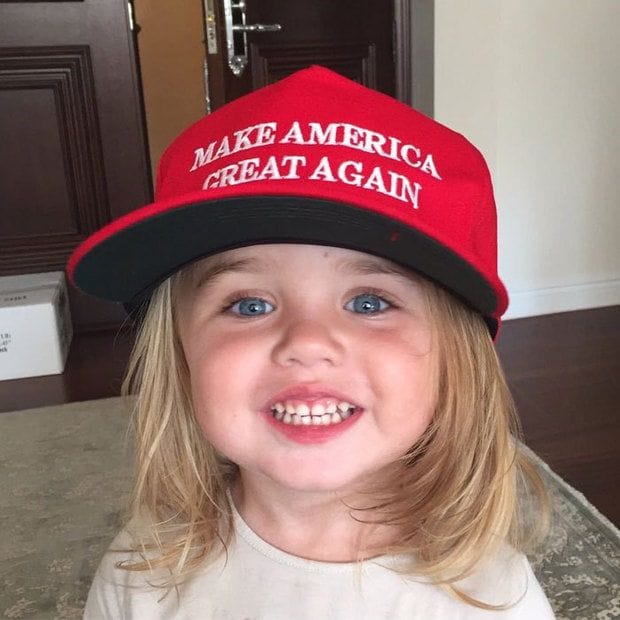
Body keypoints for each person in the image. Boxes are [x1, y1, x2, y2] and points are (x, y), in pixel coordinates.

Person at [68, 66, 554, 618]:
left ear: (456, 359)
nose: (306, 342)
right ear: (179, 355)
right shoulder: (143, 571)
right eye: (249, 305)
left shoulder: (493, 599)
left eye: (369, 302)